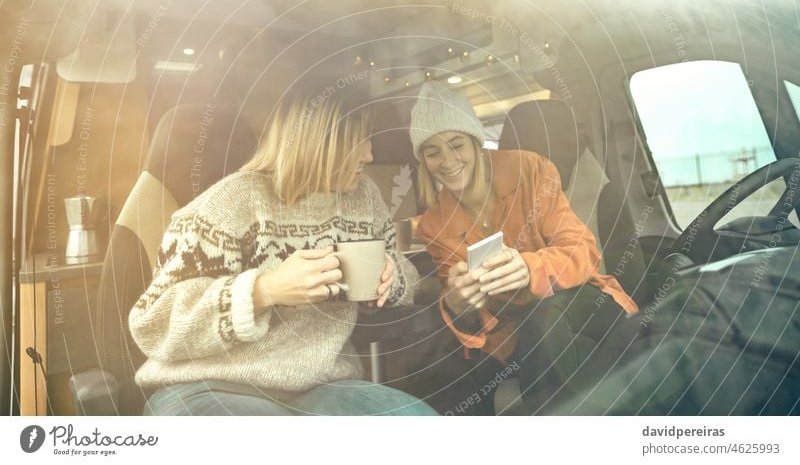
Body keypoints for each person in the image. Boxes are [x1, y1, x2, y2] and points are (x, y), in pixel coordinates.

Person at [129, 87, 436, 416]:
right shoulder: (230, 203)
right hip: (209, 386)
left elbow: (402, 269)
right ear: (318, 142)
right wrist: (264, 290)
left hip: (321, 387)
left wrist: (392, 276)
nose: (369, 156)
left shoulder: (364, 197)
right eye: (357, 142)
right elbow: (152, 326)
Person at [410, 81, 638, 415]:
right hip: (510, 328)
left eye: (456, 145)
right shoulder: (433, 223)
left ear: (474, 142)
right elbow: (459, 296)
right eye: (433, 152)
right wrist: (457, 303)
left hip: (579, 302)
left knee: (543, 317)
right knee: (447, 357)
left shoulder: (532, 169)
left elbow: (582, 250)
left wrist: (529, 269)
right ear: (423, 161)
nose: (447, 161)